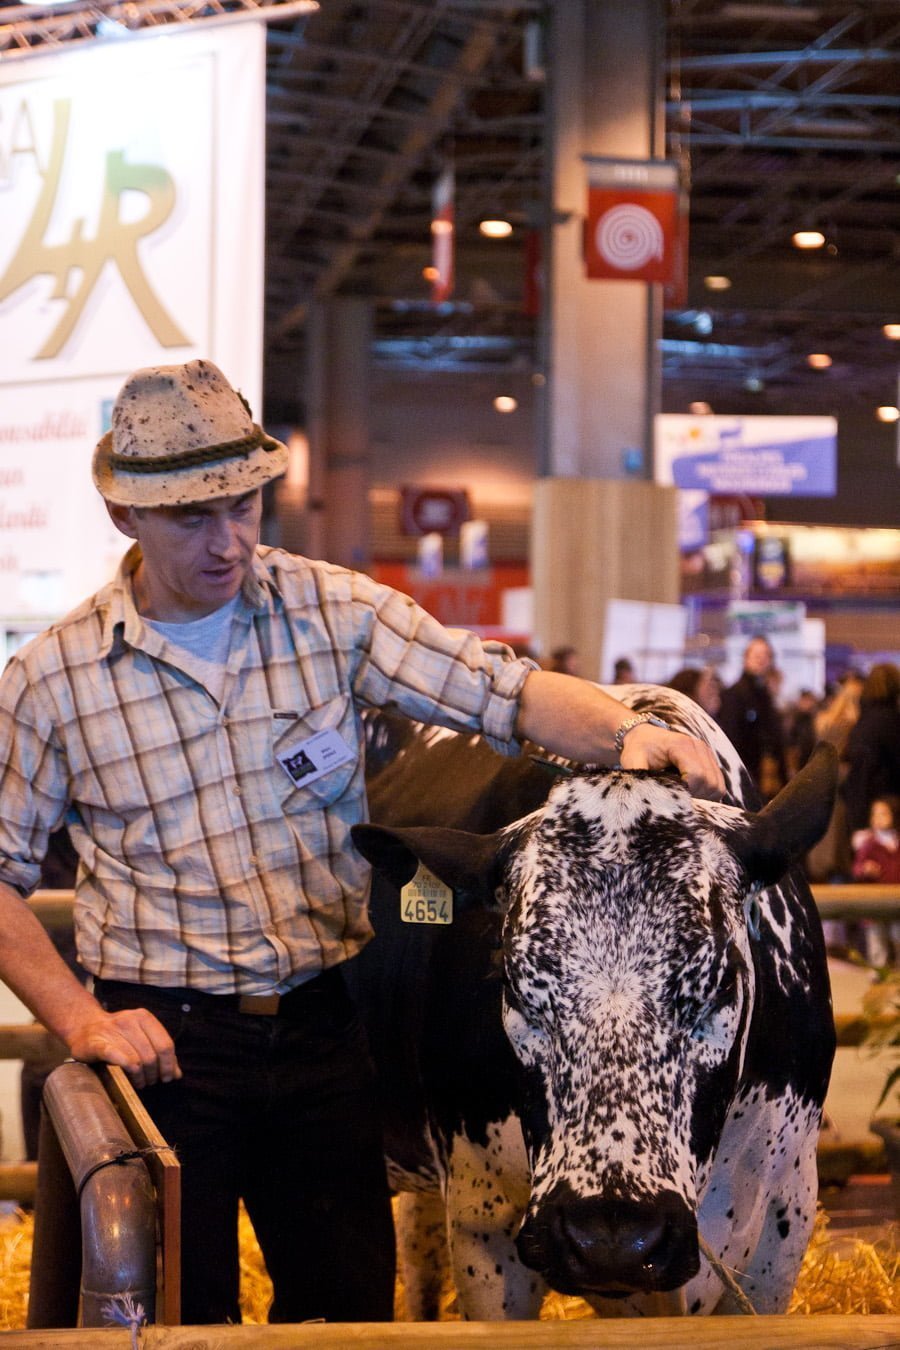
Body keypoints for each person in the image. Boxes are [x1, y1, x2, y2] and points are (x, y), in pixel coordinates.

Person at [0, 360, 724, 1326]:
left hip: (323, 1030)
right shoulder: (53, 683)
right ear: (124, 516)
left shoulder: (330, 611)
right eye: (192, 519)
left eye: (246, 506)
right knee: (181, 1318)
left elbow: (496, 690)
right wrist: (83, 1023)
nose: (230, 542)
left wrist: (627, 731)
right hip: (167, 1050)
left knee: (346, 1316)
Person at [717, 634, 787, 801]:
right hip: (744, 777)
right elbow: (731, 738)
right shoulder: (734, 695)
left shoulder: (765, 696)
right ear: (746, 658)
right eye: (756, 655)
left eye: (765, 656)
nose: (761, 660)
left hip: (764, 778)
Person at [841, 662, 900, 836]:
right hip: (888, 804)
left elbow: (860, 768)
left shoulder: (864, 721)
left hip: (865, 805)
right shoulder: (892, 721)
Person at [849, 795, 900, 967]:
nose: (878, 818)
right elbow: (856, 869)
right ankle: (879, 976)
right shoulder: (869, 844)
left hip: (896, 903)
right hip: (875, 905)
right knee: (877, 944)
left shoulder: (896, 843)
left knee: (897, 938)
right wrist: (865, 869)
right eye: (875, 814)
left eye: (883, 814)